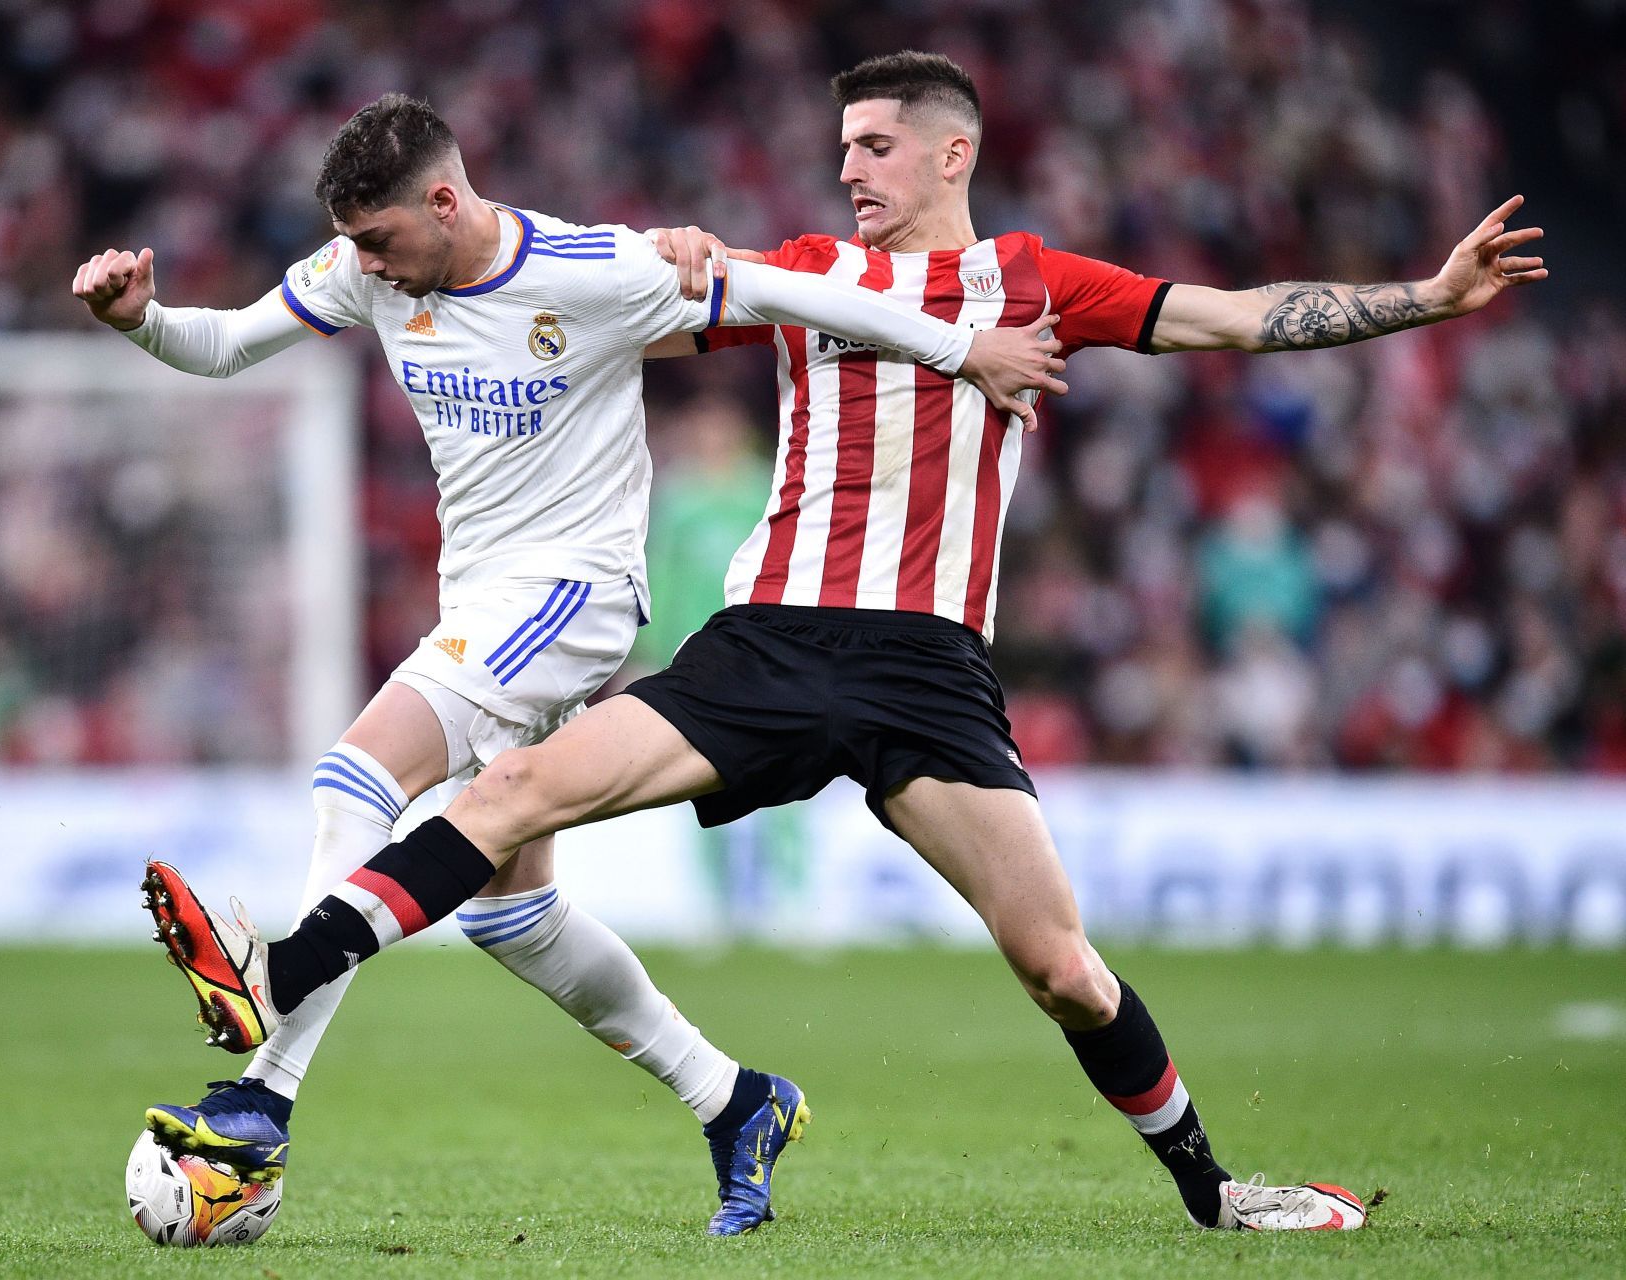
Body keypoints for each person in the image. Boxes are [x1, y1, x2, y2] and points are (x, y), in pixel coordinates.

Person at [144, 52, 1545, 1232]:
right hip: (766, 646)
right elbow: (579, 315)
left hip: (930, 672)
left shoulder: (1036, 284)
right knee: (509, 796)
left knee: (1060, 966)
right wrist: (668, 259)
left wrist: (1424, 297)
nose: (850, 173)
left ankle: (1214, 1192)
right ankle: (279, 988)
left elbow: (1233, 318)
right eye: (840, 150)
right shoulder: (805, 274)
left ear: (954, 155)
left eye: (875, 148)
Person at [86, 90, 1061, 1235]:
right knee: (512, 916)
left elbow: (783, 290)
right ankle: (734, 1096)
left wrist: (966, 348)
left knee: (357, 775)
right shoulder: (364, 269)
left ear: (445, 201)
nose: (368, 266)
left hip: (576, 593)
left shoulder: (591, 270)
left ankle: (262, 1095)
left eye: (384, 240)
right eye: (354, 244)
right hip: (483, 597)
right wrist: (141, 319)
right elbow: (225, 341)